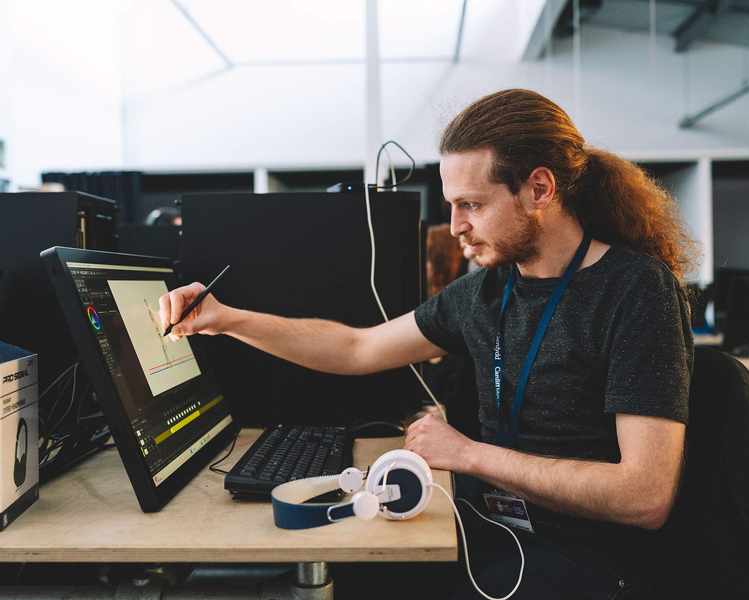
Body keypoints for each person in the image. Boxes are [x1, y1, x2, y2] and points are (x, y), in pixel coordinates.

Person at [159, 88, 696, 598]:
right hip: (493, 530)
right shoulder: (486, 292)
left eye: (473, 205)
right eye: (452, 205)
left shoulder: (635, 291)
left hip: (582, 563)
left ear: (539, 189)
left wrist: (468, 454)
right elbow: (356, 348)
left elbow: (643, 495)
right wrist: (227, 319)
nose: (455, 226)